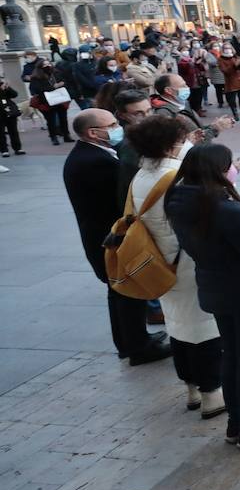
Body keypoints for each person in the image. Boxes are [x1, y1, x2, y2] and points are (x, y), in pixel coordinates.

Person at [166, 143, 240, 449]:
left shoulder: (178, 199)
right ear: (217, 171)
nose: (233, 169)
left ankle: (237, 422)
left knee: (232, 355)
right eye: (230, 165)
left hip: (214, 288)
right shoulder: (224, 207)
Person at [125, 116, 226, 419]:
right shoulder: (176, 177)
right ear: (171, 145)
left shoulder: (139, 175)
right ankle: (212, 395)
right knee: (205, 328)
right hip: (188, 263)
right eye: (182, 141)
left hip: (159, 264)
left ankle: (193, 388)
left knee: (179, 328)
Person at [61, 108, 170, 365]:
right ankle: (138, 348)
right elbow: (119, 198)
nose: (117, 127)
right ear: (93, 132)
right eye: (111, 124)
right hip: (109, 238)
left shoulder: (91, 154)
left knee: (119, 291)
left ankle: (129, 342)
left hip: (102, 236)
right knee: (128, 291)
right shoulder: (93, 161)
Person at [0, 73, 24, 158]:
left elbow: (14, 95)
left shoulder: (4, 86)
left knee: (13, 131)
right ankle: (4, 150)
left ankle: (18, 148)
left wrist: (7, 88)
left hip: (10, 111)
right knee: (1, 133)